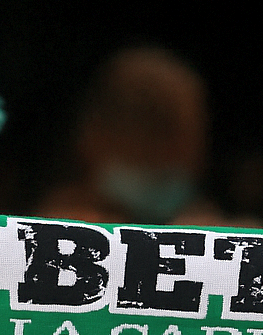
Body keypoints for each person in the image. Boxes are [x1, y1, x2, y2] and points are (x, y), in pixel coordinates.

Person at [33, 48, 222, 226]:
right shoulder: (57, 229)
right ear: (95, 136)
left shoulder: (208, 230)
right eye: (150, 138)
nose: (165, 156)